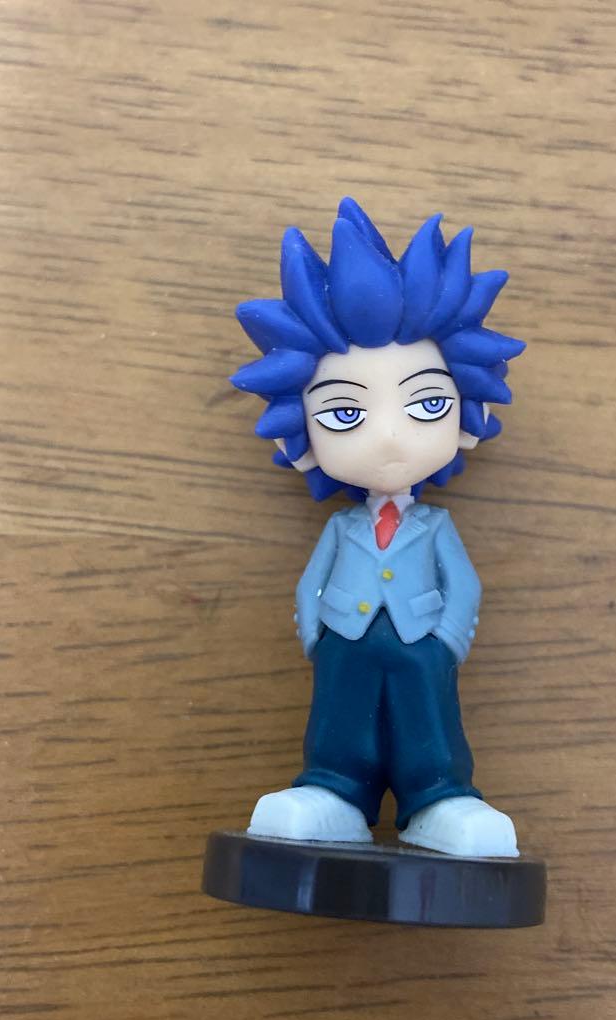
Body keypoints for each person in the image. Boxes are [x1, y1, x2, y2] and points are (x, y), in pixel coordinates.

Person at [230, 198, 525, 857]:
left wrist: (446, 643)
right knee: (338, 717)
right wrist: (319, 635)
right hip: (346, 637)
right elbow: (310, 582)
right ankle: (335, 789)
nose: (389, 436)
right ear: (298, 431)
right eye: (345, 413)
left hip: (423, 641)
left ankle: (439, 795)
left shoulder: (435, 525)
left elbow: (464, 585)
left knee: (431, 720)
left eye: (427, 403)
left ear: (467, 413)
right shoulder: (342, 528)